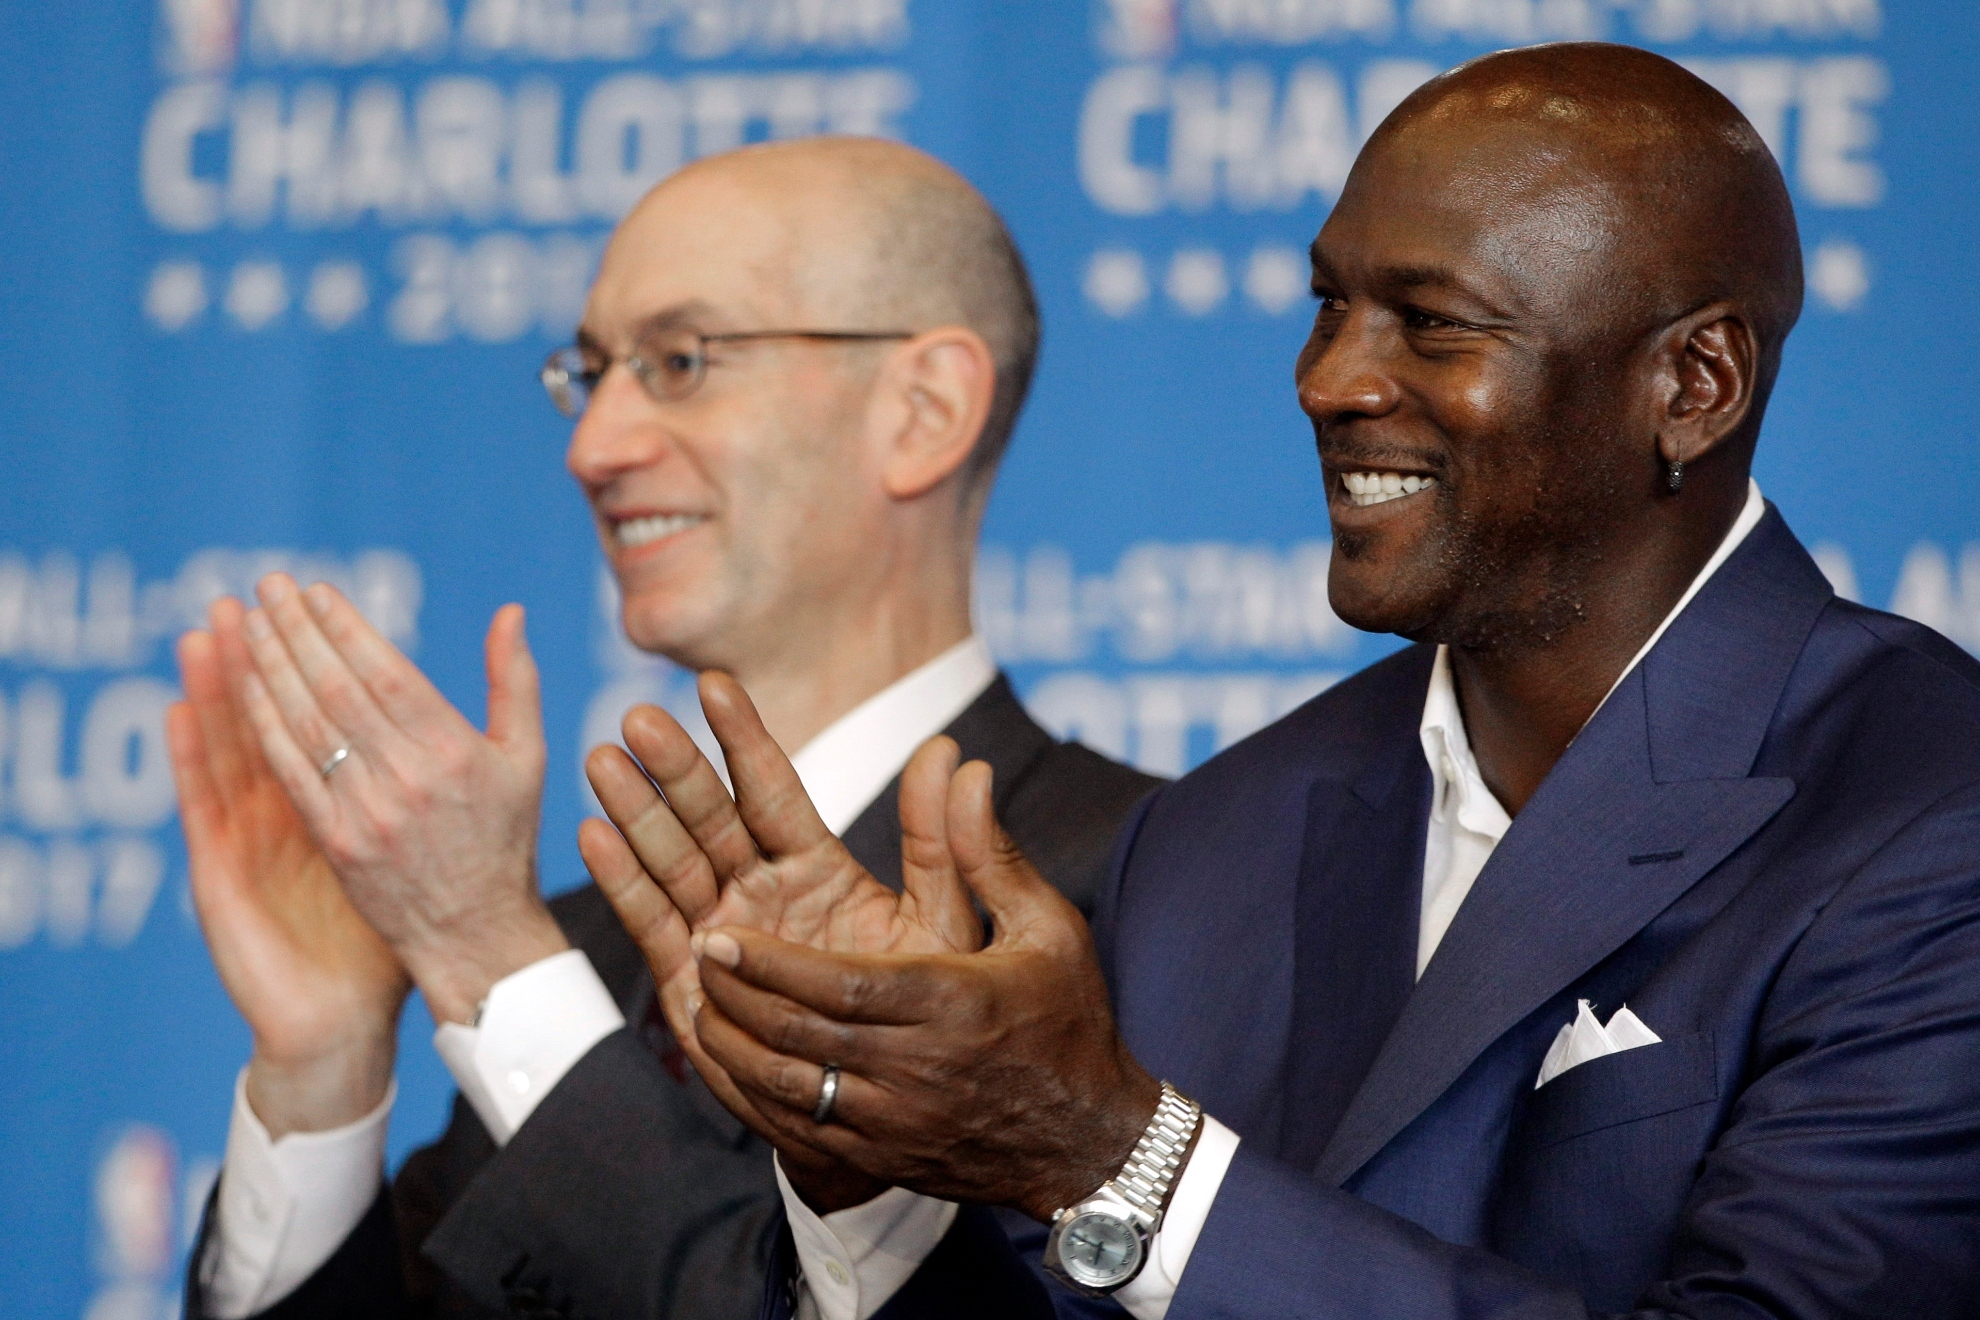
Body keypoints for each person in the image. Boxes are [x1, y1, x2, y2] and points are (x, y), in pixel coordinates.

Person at [581, 44, 1980, 1320]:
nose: (1328, 380)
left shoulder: (1928, 821)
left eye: (1432, 325)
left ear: (1695, 385)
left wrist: (1124, 1154)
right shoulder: (1214, 840)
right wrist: (879, 1153)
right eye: (1332, 306)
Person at [167, 136, 1161, 1320]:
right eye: (591, 372)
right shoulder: (578, 954)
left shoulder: (1153, 887)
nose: (594, 447)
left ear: (923, 409)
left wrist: (484, 955)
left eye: (681, 361)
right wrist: (323, 1063)